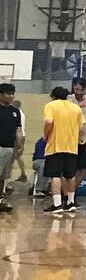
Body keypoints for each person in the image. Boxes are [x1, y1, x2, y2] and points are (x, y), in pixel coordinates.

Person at [43, 85, 86, 216]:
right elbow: (82, 127)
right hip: (72, 146)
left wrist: (45, 135)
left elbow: (49, 121)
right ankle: (70, 202)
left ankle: (57, 204)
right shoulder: (76, 108)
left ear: (53, 96)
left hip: (55, 146)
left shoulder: (50, 106)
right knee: (70, 175)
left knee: (55, 175)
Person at [0, 83, 22, 214]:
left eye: (12, 93)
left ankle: (0, 200)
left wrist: (19, 145)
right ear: (1, 95)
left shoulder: (15, 111)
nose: (11, 96)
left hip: (9, 148)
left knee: (3, 177)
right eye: (8, 93)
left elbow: (18, 129)